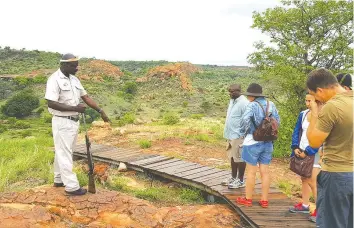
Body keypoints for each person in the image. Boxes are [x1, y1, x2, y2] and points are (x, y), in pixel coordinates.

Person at [45, 53, 110, 196]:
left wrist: (100, 111)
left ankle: (59, 179)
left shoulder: (74, 79)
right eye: (74, 66)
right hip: (62, 121)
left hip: (73, 122)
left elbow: (85, 97)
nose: (77, 68)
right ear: (64, 65)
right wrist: (75, 109)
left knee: (63, 151)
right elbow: (51, 103)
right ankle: (71, 186)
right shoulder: (54, 79)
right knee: (65, 153)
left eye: (77, 65)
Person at [306, 68, 353, 228]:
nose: (317, 100)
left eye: (315, 96)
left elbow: (313, 142)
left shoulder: (332, 107)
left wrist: (314, 113)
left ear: (320, 90)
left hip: (336, 175)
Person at [236, 83, 280, 208]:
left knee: (251, 172)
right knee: (265, 172)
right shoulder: (271, 105)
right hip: (268, 143)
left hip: (252, 142)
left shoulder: (252, 105)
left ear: (252, 96)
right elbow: (277, 120)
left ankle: (248, 199)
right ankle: (264, 200)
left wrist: (243, 133)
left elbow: (244, 120)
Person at [288, 94, 320, 223]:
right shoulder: (303, 114)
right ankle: (305, 205)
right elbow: (297, 130)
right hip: (302, 148)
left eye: (310, 101)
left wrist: (309, 151)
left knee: (313, 182)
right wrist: (295, 146)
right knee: (304, 178)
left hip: (314, 152)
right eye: (306, 100)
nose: (307, 103)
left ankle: (320, 211)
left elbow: (321, 139)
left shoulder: (322, 116)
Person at [222, 84, 249, 188]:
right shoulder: (232, 101)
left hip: (239, 135)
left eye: (233, 91)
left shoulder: (244, 103)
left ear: (239, 91)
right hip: (231, 134)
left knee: (240, 158)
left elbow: (247, 120)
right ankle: (233, 178)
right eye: (229, 91)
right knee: (233, 157)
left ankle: (241, 180)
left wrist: (243, 135)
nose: (230, 93)